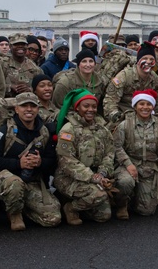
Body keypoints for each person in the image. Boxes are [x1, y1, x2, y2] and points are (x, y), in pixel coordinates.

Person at [0, 92, 60, 231]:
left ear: (38, 109)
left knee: (53, 218)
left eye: (33, 106)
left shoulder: (44, 132)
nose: (29, 109)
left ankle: (23, 207)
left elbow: (52, 160)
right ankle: (14, 213)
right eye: (24, 106)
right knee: (15, 184)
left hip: (31, 181)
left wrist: (40, 162)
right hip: (7, 179)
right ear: (16, 109)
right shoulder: (4, 130)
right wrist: (18, 164)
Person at [55, 89, 116, 225]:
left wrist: (102, 173)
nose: (91, 110)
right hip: (69, 178)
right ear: (77, 108)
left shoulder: (102, 129)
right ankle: (70, 208)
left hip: (96, 177)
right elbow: (67, 161)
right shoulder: (68, 130)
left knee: (103, 216)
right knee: (99, 195)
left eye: (94, 106)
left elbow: (109, 153)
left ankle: (80, 205)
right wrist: (92, 177)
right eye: (86, 106)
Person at [112, 89, 158, 217]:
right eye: (141, 104)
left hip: (149, 169)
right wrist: (128, 164)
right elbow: (116, 146)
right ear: (135, 106)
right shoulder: (125, 124)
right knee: (125, 182)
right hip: (128, 166)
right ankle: (122, 205)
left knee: (146, 211)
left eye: (149, 104)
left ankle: (135, 196)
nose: (145, 107)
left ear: (153, 106)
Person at [104, 44, 158, 129]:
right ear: (138, 60)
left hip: (146, 116)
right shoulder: (124, 76)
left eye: (151, 59)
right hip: (124, 117)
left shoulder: (155, 79)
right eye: (145, 58)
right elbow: (110, 100)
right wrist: (117, 117)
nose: (148, 62)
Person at [5, 33, 43, 97]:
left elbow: (42, 87)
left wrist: (29, 89)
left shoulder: (34, 68)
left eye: (23, 44)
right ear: (10, 46)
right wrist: (10, 87)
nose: (20, 46)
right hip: (7, 101)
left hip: (29, 101)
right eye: (16, 44)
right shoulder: (2, 64)